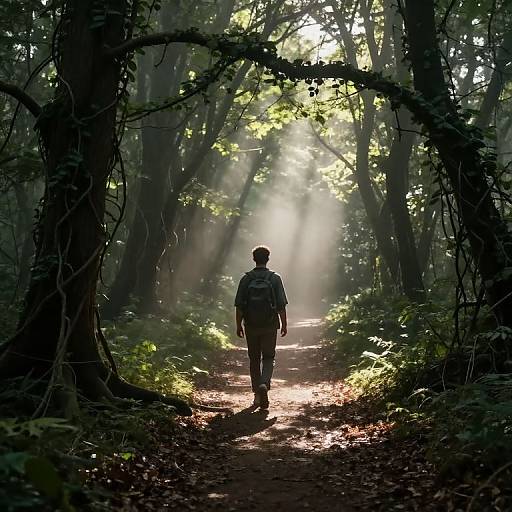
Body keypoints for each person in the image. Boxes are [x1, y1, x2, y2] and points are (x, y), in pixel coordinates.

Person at [234, 245, 288, 409]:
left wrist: (238, 325)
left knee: (254, 359)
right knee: (269, 357)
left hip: (251, 325)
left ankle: (257, 395)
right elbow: (281, 305)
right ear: (268, 259)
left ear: (254, 259)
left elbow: (239, 306)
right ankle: (264, 383)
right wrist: (284, 324)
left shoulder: (246, 279)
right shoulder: (275, 278)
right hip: (270, 325)